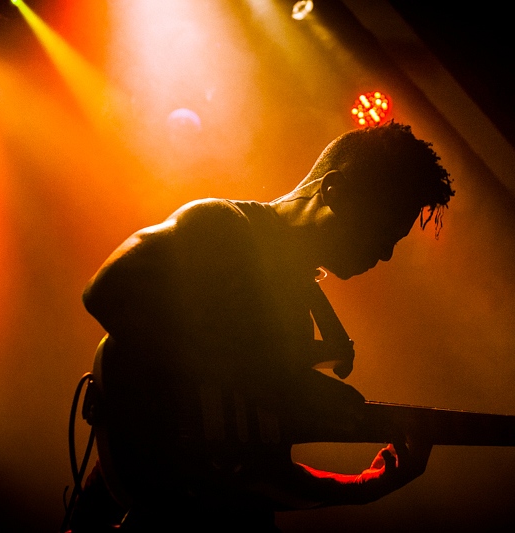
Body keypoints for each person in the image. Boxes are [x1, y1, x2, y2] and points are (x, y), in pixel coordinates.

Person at [73, 121, 455, 531]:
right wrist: (255, 378)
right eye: (382, 232)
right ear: (334, 191)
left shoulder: (295, 308)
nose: (385, 254)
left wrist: (362, 487)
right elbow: (106, 291)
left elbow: (261, 475)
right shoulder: (224, 226)